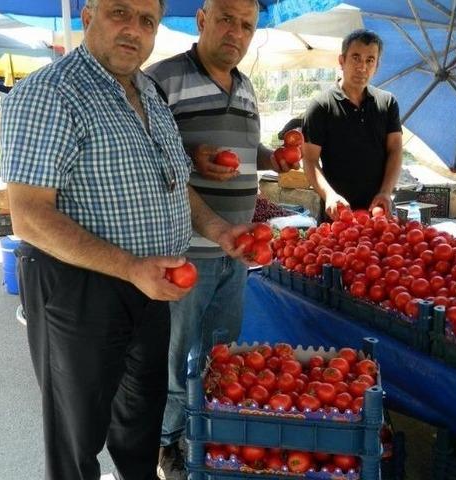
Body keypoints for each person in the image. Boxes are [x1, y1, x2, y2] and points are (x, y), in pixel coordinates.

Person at [0, 1, 250, 479]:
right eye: (120, 12)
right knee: (78, 435)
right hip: (79, 288)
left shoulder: (148, 92)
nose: (134, 30)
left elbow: (173, 183)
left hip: (151, 284)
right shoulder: (48, 93)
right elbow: (28, 217)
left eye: (147, 21)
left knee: (140, 420)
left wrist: (218, 229)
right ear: (88, 14)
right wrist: (130, 268)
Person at [145, 1, 296, 478]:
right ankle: (166, 443)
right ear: (203, 20)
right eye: (227, 19)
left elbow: (248, 149)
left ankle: (203, 430)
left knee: (220, 353)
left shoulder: (247, 88)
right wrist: (191, 154)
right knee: (176, 356)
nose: (236, 32)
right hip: (185, 251)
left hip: (239, 251)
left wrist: (275, 157)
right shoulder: (160, 79)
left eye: (247, 25)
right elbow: (142, 150)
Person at [302, 29, 404, 220]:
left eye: (370, 60)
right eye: (356, 58)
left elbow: (395, 150)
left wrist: (385, 192)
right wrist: (329, 195)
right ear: (342, 61)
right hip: (337, 215)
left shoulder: (388, 103)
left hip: (379, 214)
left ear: (377, 65)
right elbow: (309, 159)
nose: (362, 67)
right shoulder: (321, 106)